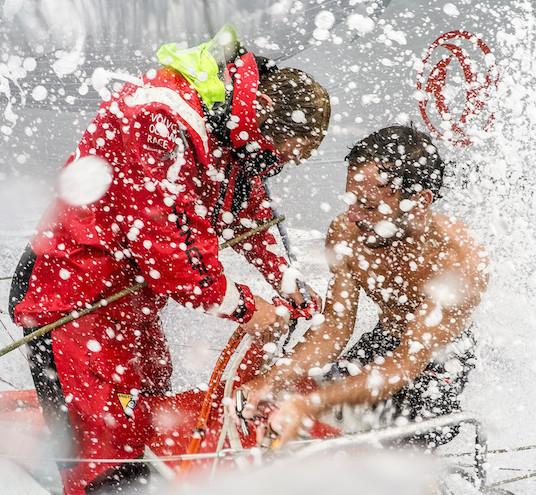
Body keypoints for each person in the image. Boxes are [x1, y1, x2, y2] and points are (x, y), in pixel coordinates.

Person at [8, 25, 330, 494]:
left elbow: (246, 206)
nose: (283, 166)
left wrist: (287, 278)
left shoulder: (235, 130)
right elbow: (170, 257)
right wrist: (245, 307)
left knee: (143, 419)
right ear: (264, 126)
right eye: (285, 155)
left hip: (128, 300)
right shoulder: (163, 118)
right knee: (102, 459)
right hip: (72, 295)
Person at [241, 125, 488, 447]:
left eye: (368, 206)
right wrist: (272, 380)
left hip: (441, 354)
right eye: (351, 201)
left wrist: (309, 404)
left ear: (419, 201)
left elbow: (406, 363)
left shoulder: (459, 259)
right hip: (385, 339)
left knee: (395, 431)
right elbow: (334, 329)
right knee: (319, 416)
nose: (353, 216)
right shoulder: (346, 232)